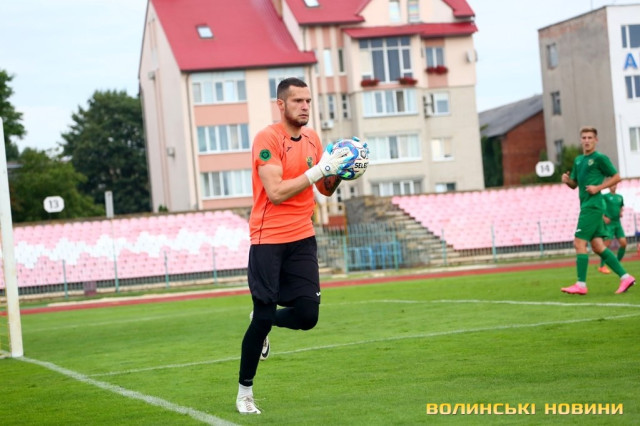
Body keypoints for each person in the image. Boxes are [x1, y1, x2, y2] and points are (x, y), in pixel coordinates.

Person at [235, 77, 356, 414]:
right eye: (298, 101)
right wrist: (320, 170)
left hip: (302, 236)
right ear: (281, 104)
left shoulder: (314, 138)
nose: (305, 107)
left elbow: (325, 188)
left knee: (307, 316)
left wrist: (343, 170)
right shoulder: (268, 138)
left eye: (308, 101)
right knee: (262, 317)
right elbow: (276, 192)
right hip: (268, 239)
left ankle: (264, 320)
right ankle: (245, 394)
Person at [560, 126, 635, 295]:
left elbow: (617, 177)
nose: (587, 140)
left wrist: (598, 188)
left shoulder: (600, 158)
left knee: (579, 243)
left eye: (590, 137)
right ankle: (625, 277)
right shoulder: (579, 160)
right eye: (584, 138)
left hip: (593, 206)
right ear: (581, 140)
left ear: (596, 140)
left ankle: (581, 284)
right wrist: (567, 180)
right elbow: (574, 184)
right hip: (586, 205)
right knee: (597, 246)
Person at [597, 183, 628, 274]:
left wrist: (621, 212)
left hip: (617, 223)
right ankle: (602, 266)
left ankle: (617, 263)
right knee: (606, 244)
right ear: (609, 187)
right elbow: (600, 205)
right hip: (609, 224)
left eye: (615, 185)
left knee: (623, 243)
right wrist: (603, 216)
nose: (613, 186)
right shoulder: (605, 196)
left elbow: (621, 206)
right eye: (612, 185)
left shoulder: (620, 197)